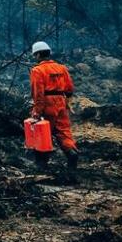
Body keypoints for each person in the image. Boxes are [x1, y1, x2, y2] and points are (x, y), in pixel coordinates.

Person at [29, 40, 78, 173]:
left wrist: (37, 112)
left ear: (38, 55)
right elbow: (69, 89)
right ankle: (71, 152)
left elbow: (38, 94)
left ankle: (42, 165)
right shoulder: (62, 68)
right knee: (63, 131)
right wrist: (66, 102)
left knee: (42, 133)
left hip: (46, 103)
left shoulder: (37, 70)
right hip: (61, 102)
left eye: (35, 55)